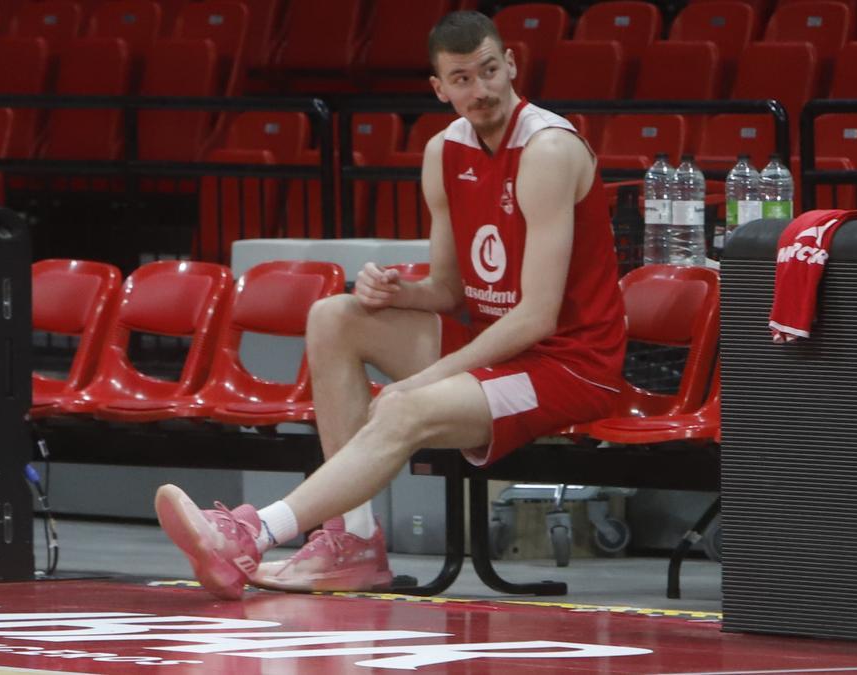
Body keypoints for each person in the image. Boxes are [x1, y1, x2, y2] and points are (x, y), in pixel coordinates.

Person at [153, 10, 627, 600]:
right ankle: (351, 541)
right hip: (501, 353)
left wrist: (421, 382)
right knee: (335, 316)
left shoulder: (548, 150)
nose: (479, 91)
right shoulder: (443, 153)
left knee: (402, 411)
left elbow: (537, 317)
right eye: (461, 79)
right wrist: (401, 293)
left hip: (568, 368)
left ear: (511, 65)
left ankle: (251, 532)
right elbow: (452, 293)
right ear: (439, 89)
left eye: (488, 71)